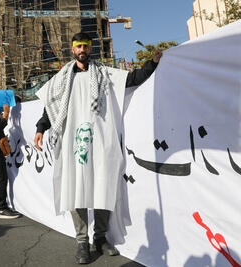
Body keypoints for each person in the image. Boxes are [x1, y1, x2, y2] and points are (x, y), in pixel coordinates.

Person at [34, 32, 162, 264]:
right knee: (75, 189)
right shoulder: (61, 79)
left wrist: (152, 63)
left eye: (85, 46)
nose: (82, 49)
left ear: (90, 48)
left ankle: (100, 238)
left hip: (101, 141)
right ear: (72, 50)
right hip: (73, 143)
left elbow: (133, 79)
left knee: (103, 187)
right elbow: (50, 108)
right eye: (78, 46)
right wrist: (41, 128)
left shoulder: (105, 73)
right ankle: (82, 241)